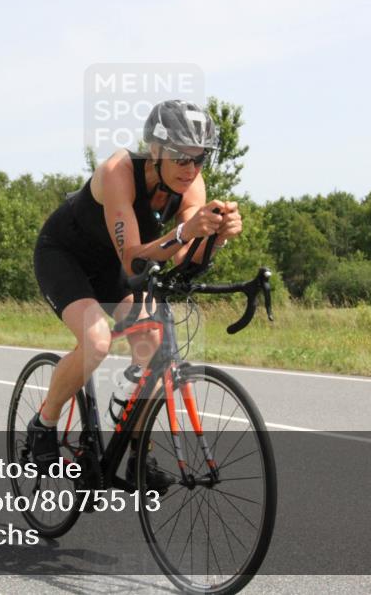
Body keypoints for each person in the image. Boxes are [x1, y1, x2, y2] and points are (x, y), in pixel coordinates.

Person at [29, 100, 243, 489]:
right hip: (67, 256)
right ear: (155, 150)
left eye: (200, 159)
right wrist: (185, 231)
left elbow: (181, 259)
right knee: (95, 343)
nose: (190, 168)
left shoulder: (190, 184)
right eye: (180, 157)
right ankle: (44, 423)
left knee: (155, 345)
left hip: (117, 266)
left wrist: (215, 239)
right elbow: (133, 261)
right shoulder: (118, 172)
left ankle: (137, 455)